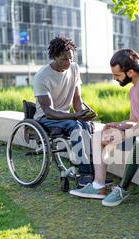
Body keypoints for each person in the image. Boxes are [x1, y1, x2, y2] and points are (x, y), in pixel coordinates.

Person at [70, 48, 139, 207]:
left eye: (117, 75)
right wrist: (119, 125)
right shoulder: (133, 90)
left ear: (131, 72)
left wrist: (128, 134)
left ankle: (122, 189)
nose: (115, 78)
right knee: (99, 136)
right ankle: (98, 186)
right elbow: (135, 120)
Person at [33, 36, 107, 187]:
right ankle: (85, 174)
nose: (67, 63)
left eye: (70, 59)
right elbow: (48, 111)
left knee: (86, 126)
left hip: (65, 116)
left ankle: (95, 174)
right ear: (54, 56)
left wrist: (83, 115)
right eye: (63, 59)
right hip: (46, 118)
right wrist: (74, 116)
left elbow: (77, 100)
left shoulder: (74, 68)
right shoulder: (42, 76)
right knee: (74, 126)